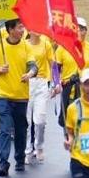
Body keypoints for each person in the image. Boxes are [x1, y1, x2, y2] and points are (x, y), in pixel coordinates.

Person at [0, 18, 37, 177]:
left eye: (23, 27)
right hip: (3, 95)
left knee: (21, 130)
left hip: (21, 96)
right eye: (20, 27)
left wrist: (29, 74)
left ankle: (20, 159)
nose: (23, 30)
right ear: (10, 29)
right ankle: (3, 163)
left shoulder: (26, 46)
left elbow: (33, 66)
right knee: (5, 129)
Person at [55, 17, 89, 127]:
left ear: (86, 31)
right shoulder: (63, 47)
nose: (79, 32)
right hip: (69, 90)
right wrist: (57, 84)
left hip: (87, 92)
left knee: (85, 124)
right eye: (76, 29)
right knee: (69, 124)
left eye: (82, 29)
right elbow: (56, 69)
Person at [24, 31, 55, 164]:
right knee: (27, 121)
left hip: (42, 82)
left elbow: (53, 65)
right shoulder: (23, 45)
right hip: (27, 83)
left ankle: (39, 146)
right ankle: (28, 150)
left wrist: (55, 83)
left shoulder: (46, 44)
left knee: (40, 120)